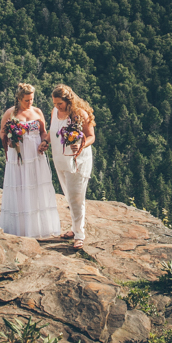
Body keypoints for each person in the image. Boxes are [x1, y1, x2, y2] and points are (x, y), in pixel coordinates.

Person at [0, 82, 61, 238]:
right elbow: (1, 133)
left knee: (35, 186)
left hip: (34, 154)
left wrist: (43, 143)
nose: (30, 102)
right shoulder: (10, 113)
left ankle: (38, 227)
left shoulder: (38, 112)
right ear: (19, 98)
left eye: (31, 99)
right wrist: (10, 140)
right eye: (27, 100)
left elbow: (43, 132)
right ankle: (20, 228)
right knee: (19, 186)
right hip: (18, 155)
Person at [49, 84, 96, 250]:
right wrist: (44, 142)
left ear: (68, 101)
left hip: (77, 161)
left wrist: (81, 145)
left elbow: (91, 136)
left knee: (76, 198)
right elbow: (51, 131)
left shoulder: (79, 114)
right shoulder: (55, 113)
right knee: (69, 196)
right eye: (55, 103)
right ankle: (74, 228)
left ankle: (79, 235)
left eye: (59, 103)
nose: (56, 106)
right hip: (60, 160)